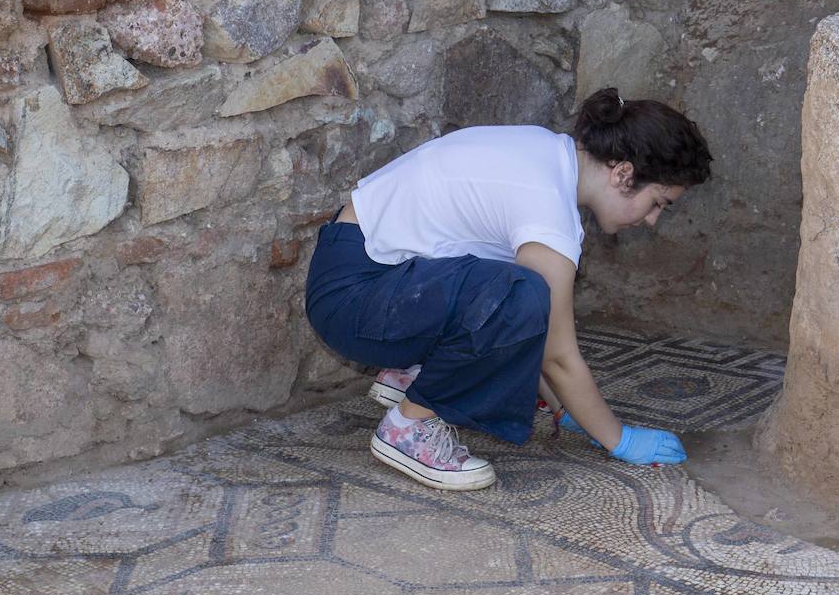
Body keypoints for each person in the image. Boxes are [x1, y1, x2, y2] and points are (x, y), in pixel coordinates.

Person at [304, 87, 713, 491]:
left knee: (518, 290)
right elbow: (554, 350)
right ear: (623, 173)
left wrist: (561, 407)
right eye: (658, 202)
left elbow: (514, 326)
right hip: (354, 298)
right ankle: (408, 427)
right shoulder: (548, 206)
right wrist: (617, 438)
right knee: (525, 293)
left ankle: (413, 375)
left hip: (364, 276)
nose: (653, 220)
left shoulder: (547, 153)